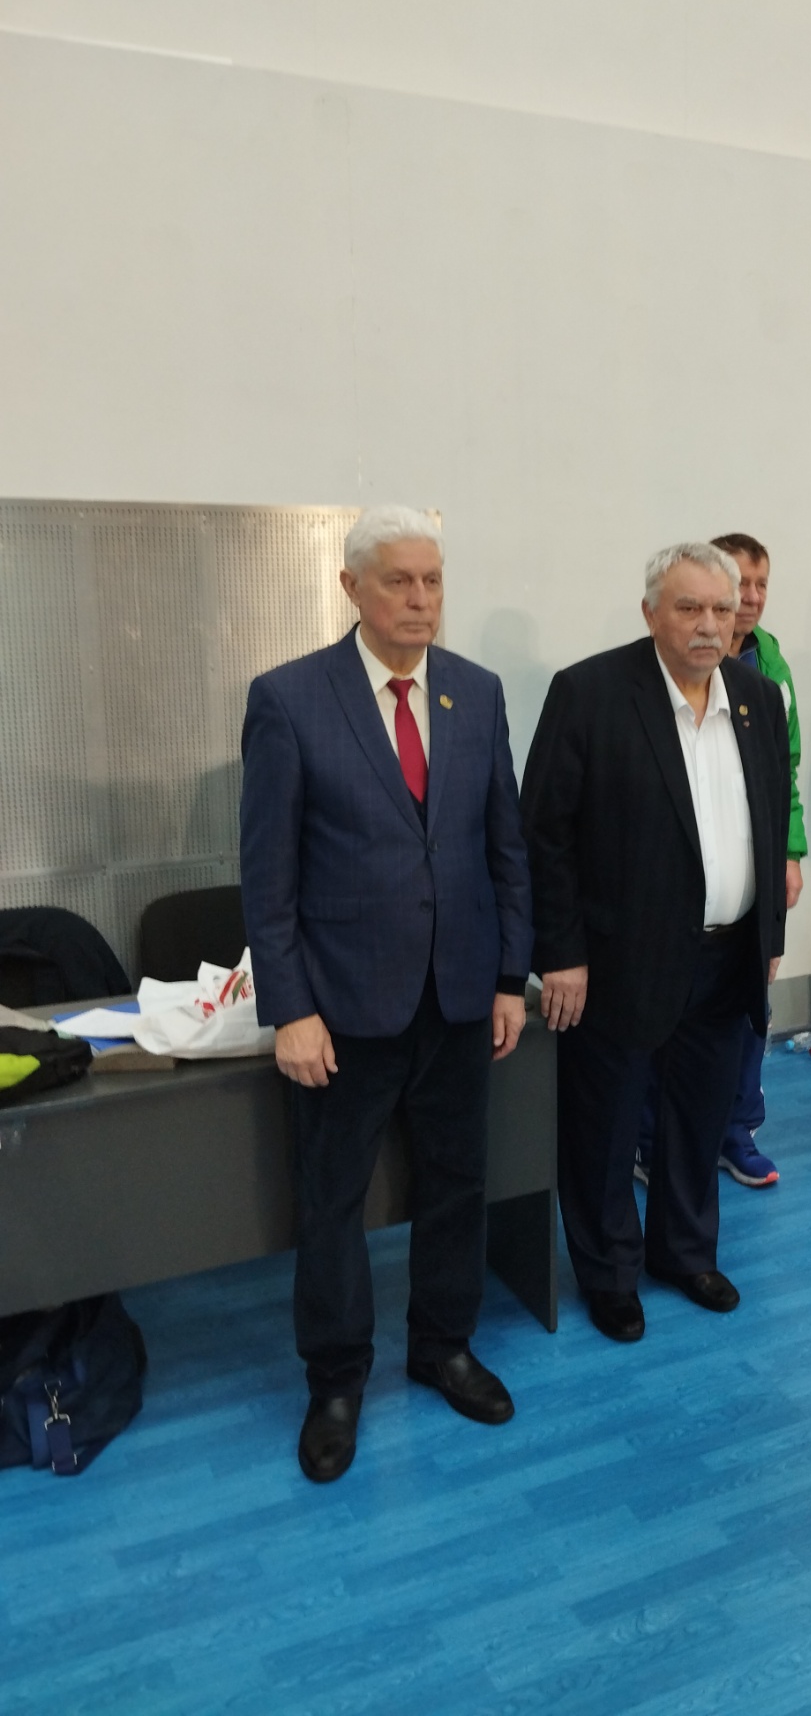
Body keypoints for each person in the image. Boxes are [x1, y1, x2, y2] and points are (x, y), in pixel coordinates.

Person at [239, 505, 533, 1484]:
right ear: (351, 588)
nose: (420, 599)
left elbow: (503, 846)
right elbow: (266, 876)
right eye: (399, 581)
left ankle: (443, 1346)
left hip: (458, 997)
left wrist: (508, 977)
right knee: (332, 1201)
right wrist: (290, 1008)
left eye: (432, 580)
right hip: (341, 1008)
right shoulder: (289, 699)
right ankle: (335, 1379)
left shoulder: (475, 692)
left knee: (457, 1182)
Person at [520, 543, 790, 1344]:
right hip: (617, 959)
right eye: (689, 607)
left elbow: (769, 820)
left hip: (727, 952)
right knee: (605, 1129)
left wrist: (767, 935)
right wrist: (559, 952)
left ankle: (684, 1252)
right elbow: (544, 835)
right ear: (649, 613)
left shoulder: (756, 697)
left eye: (722, 607)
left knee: (699, 1118)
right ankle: (609, 1273)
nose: (709, 624)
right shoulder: (590, 693)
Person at [634, 531, 807, 1190]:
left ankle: (736, 1130)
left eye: (754, 589)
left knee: (743, 1017)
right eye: (695, 606)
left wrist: (788, 853)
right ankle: (650, 1140)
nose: (746, 601)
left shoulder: (770, 674)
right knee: (661, 1034)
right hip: (665, 921)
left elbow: (783, 777)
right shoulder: (631, 689)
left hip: (744, 907)